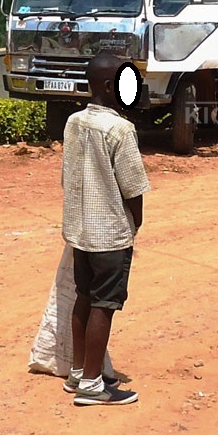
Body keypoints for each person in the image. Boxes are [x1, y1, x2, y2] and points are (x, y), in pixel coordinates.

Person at [61, 50, 151, 406]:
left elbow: (68, 175)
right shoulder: (119, 129)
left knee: (84, 297)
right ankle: (93, 387)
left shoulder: (74, 122)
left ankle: (79, 372)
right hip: (110, 234)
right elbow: (133, 187)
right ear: (109, 86)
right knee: (105, 304)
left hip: (80, 230)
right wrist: (136, 223)